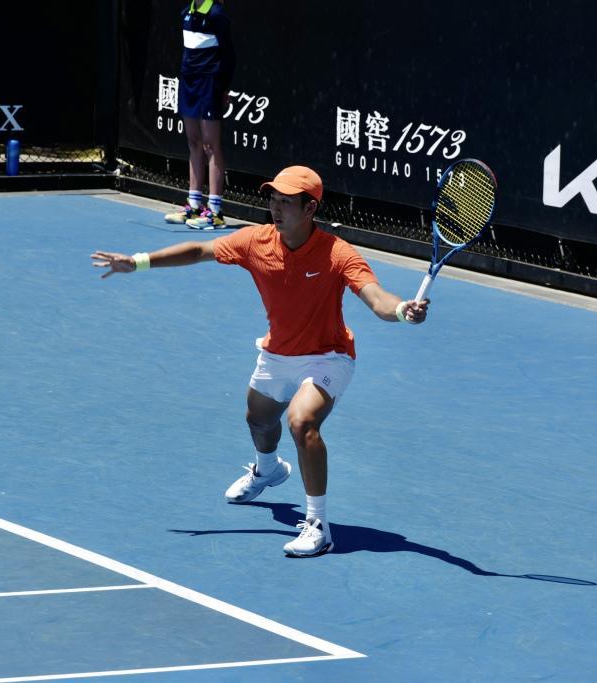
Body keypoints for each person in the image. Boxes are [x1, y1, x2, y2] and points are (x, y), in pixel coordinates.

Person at [92, 166, 430, 557]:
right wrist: (139, 262)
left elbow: (377, 298)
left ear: (310, 208)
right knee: (258, 420)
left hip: (327, 357)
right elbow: (200, 250)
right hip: (277, 353)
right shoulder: (256, 241)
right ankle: (268, 470)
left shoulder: (337, 253)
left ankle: (318, 526)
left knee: (301, 422)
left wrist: (403, 310)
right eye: (273, 198)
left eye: (286, 202)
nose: (275, 207)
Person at [163, 0, 234, 231]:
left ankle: (215, 213)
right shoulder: (186, 13)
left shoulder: (216, 14)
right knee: (193, 142)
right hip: (188, 82)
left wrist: (222, 87)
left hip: (209, 83)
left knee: (210, 145)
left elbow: (229, 54)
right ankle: (194, 205)